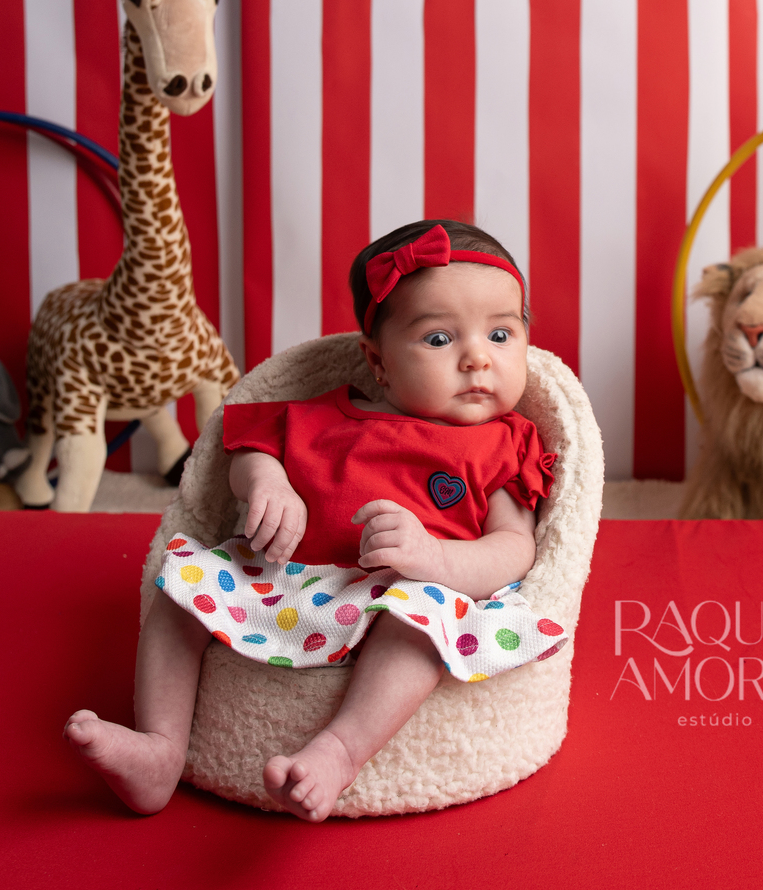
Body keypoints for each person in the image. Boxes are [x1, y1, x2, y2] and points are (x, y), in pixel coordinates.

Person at [64, 220, 566, 821]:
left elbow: (515, 547)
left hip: (407, 594)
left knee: (422, 629)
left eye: (501, 334)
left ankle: (338, 752)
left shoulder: (503, 444)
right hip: (289, 581)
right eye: (438, 339)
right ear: (378, 362)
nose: (477, 358)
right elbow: (246, 449)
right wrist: (268, 484)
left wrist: (436, 559)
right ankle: (160, 747)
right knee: (179, 585)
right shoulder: (322, 414)